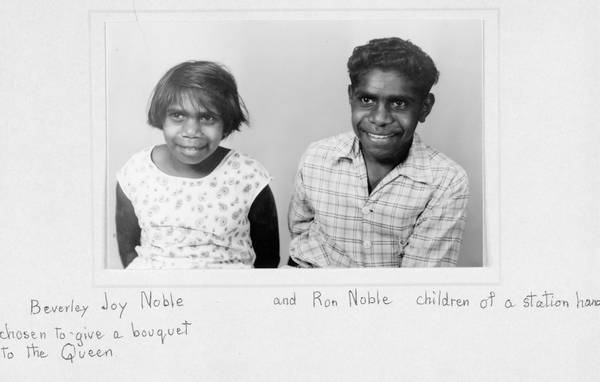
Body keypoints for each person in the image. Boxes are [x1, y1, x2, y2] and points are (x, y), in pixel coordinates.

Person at [288, 37, 469, 267]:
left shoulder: (447, 181)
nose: (380, 119)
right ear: (351, 97)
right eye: (367, 99)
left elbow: (420, 284)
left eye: (399, 104)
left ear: (425, 107)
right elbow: (301, 231)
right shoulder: (317, 157)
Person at [116, 61, 279, 269]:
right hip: (157, 297)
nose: (191, 131)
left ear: (226, 123)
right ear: (161, 117)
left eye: (207, 117)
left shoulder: (249, 177)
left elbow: (268, 260)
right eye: (178, 115)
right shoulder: (136, 173)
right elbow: (128, 251)